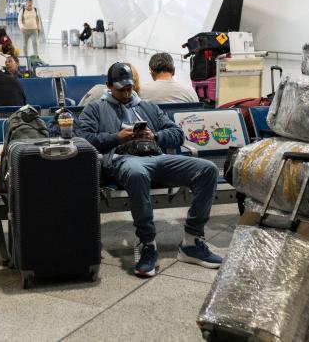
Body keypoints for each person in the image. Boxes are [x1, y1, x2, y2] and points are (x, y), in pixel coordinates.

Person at [75, 63, 223, 278]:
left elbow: (176, 133)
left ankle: (192, 241)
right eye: (121, 89)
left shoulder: (147, 107)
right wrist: (118, 137)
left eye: (129, 88)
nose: (127, 93)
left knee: (207, 169)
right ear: (108, 86)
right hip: (124, 160)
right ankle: (148, 243)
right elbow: (85, 140)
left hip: (157, 157)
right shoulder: (95, 109)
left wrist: (155, 136)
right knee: (137, 173)